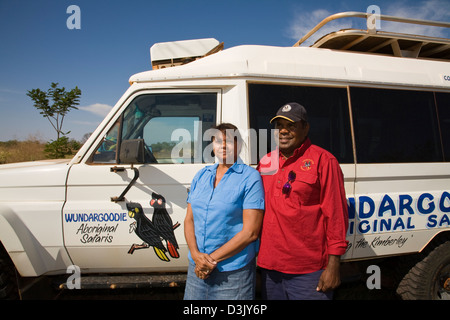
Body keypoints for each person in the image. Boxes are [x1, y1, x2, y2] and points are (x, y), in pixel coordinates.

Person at [257, 102, 348, 300]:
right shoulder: (265, 162)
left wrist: (333, 265)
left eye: (291, 125)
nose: (283, 131)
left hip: (308, 270)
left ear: (305, 128)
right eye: (279, 125)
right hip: (270, 268)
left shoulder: (324, 160)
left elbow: (336, 215)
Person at [183, 123, 265, 300]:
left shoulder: (250, 178)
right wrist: (196, 256)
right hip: (196, 269)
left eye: (229, 141)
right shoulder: (201, 175)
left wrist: (209, 260)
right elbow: (189, 220)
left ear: (240, 145)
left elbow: (250, 233)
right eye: (218, 141)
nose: (223, 145)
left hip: (232, 273)